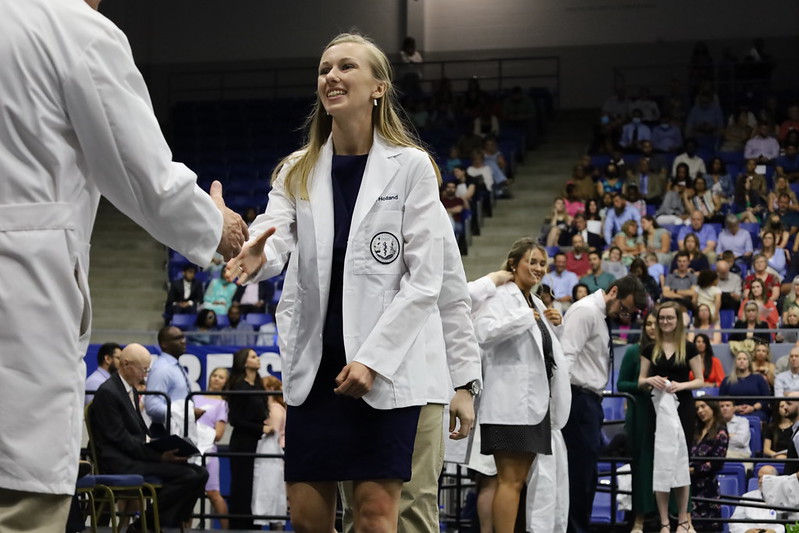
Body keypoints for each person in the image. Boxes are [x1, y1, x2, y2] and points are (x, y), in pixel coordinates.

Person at [0, 0, 248, 525]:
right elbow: (144, 175)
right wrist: (215, 227)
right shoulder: (75, 30)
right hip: (22, 296)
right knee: (21, 504)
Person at [224, 33, 477, 533]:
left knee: (379, 514)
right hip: (317, 370)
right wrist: (253, 251)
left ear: (378, 87)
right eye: (323, 70)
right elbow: (273, 238)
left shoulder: (410, 168)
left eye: (345, 67)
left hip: (384, 373)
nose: (331, 77)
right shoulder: (297, 170)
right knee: (306, 513)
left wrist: (383, 362)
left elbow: (432, 282)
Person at [472, 239, 570, 533]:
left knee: (518, 482)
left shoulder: (536, 301)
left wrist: (553, 325)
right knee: (509, 481)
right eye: (533, 262)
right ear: (514, 263)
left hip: (533, 406)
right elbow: (483, 333)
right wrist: (524, 318)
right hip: (509, 406)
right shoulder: (501, 295)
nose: (539, 269)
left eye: (543, 264)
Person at [89, 344, 209, 531]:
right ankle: (145, 526)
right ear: (127, 364)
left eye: (147, 370)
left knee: (201, 473)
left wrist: (160, 446)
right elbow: (119, 439)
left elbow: (138, 435)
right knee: (186, 475)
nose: (145, 375)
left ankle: (161, 523)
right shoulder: (108, 392)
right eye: (143, 369)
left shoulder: (130, 390)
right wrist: (158, 455)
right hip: (120, 462)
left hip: (135, 455)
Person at [562, 276, 647, 533]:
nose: (624, 316)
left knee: (588, 475)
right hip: (577, 399)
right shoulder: (585, 312)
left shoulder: (599, 315)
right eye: (624, 308)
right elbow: (566, 358)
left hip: (590, 401)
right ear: (613, 292)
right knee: (579, 476)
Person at [638, 301, 705, 533]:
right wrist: (650, 381)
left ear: (678, 321)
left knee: (681, 463)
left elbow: (700, 379)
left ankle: (684, 520)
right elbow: (640, 380)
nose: (666, 322)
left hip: (683, 407)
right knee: (662, 464)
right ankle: (665, 522)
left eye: (670, 318)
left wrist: (680, 385)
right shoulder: (649, 349)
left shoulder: (688, 347)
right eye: (662, 318)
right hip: (657, 410)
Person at [617, 312, 658, 533]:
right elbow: (621, 384)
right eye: (648, 324)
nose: (652, 327)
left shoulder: (668, 352)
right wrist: (642, 385)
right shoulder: (634, 351)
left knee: (665, 468)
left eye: (656, 323)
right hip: (640, 416)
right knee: (641, 469)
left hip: (664, 414)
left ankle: (666, 521)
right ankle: (638, 521)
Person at [226, 348, 269, 530]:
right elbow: (235, 419)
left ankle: (254, 525)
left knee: (255, 486)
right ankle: (240, 526)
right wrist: (261, 427)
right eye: (253, 357)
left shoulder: (257, 384)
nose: (257, 359)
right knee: (242, 487)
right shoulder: (239, 386)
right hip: (243, 442)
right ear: (244, 362)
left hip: (258, 442)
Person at [144, 326, 200, 435]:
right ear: (164, 344)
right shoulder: (162, 368)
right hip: (165, 431)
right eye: (177, 338)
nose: (183, 341)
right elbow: (152, 407)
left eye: (183, 337)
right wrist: (185, 413)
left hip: (179, 428)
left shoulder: (176, 366)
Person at [195, 367, 230, 530]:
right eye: (214, 375)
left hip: (208, 451)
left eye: (221, 377)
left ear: (226, 382)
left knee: (214, 494)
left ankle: (226, 530)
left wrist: (201, 432)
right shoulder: (195, 398)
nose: (216, 379)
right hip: (192, 451)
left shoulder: (222, 404)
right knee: (189, 494)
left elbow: (219, 434)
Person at [253, 375, 288, 530]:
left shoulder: (274, 409)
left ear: (271, 389)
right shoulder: (276, 408)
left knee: (273, 489)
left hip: (276, 452)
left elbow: (272, 432)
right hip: (277, 451)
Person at [690, 399, 729, 532]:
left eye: (703, 406)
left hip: (707, 489)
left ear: (712, 407)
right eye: (697, 408)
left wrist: (693, 470)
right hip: (690, 485)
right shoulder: (696, 430)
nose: (700, 411)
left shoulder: (721, 431)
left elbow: (717, 462)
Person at [729, 465, 785, 533]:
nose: (761, 481)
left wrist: (775, 531)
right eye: (759, 478)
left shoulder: (783, 498)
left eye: (765, 478)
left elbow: (788, 524)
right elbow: (733, 523)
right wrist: (746, 531)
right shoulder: (747, 497)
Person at [719, 350, 771, 423]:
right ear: (735, 362)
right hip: (733, 412)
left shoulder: (758, 378)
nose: (742, 361)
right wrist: (734, 408)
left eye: (744, 359)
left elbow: (766, 398)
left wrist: (753, 408)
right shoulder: (727, 380)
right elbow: (721, 400)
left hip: (756, 411)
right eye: (739, 359)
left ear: (749, 362)